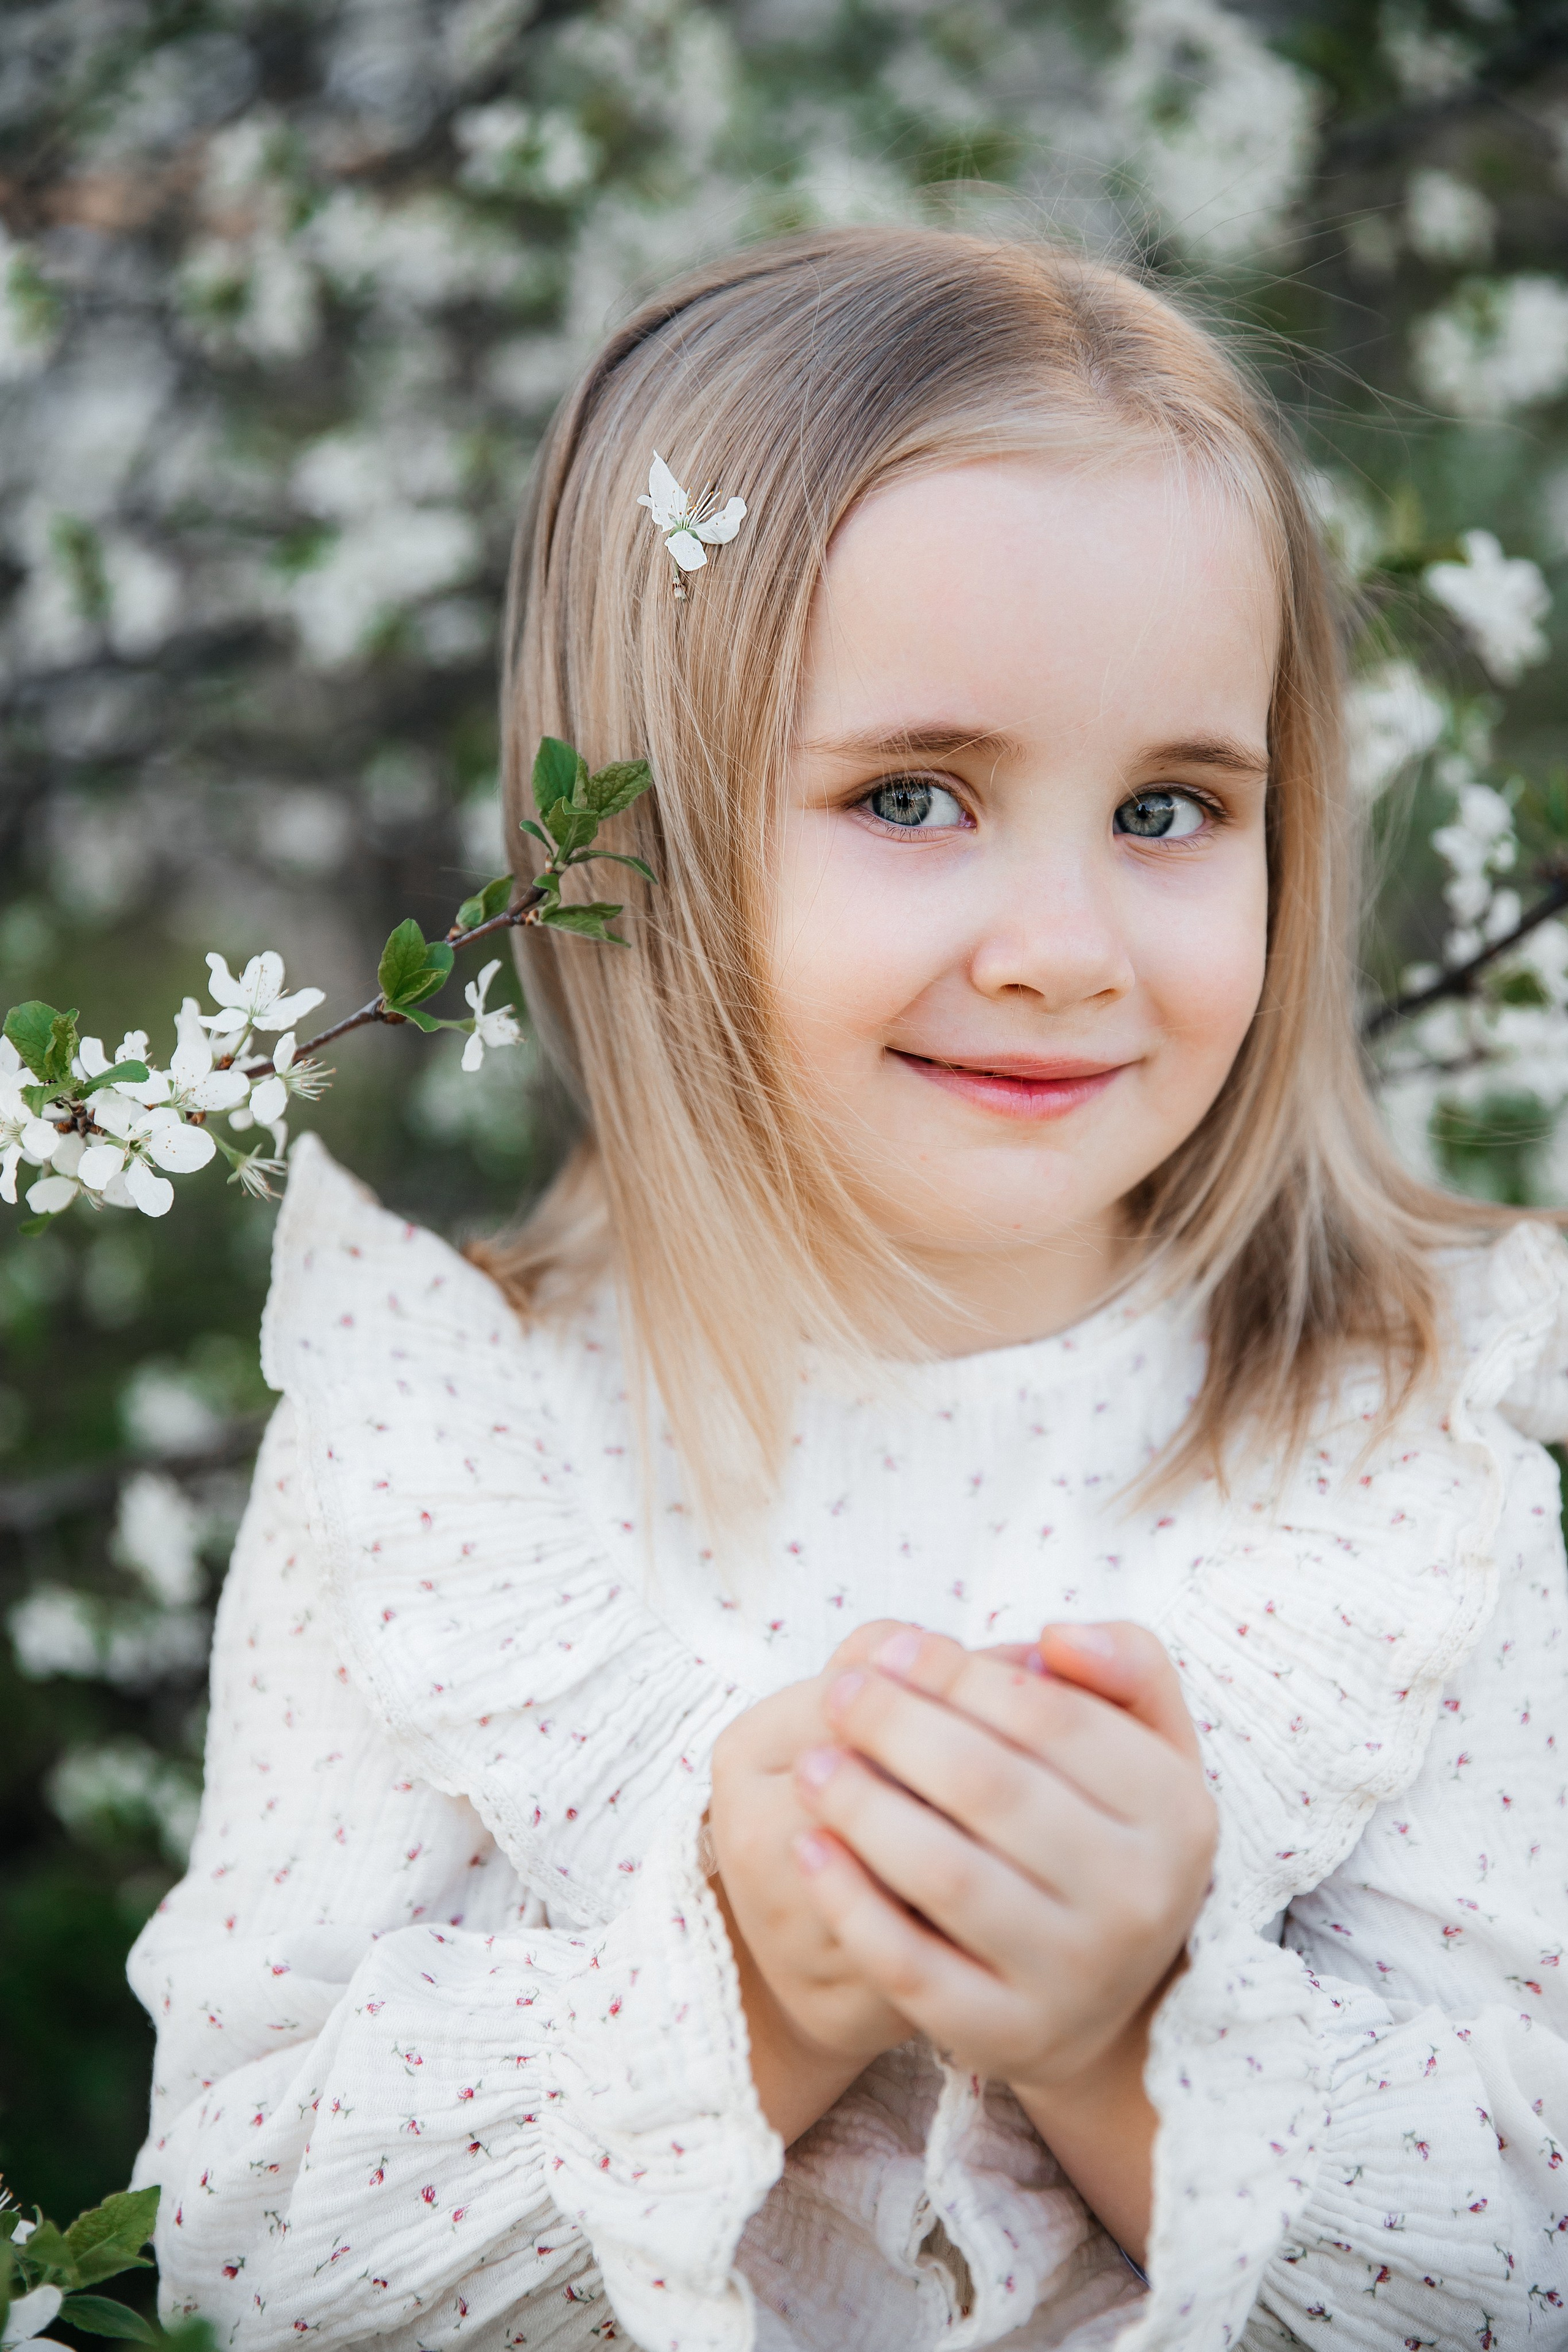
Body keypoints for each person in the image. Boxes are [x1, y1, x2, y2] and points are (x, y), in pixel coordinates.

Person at [129, 227, 1568, 2351]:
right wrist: (754, 1981)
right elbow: (248, 2242)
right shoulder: (455, 1464)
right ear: (642, 841)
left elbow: (1524, 2235)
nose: (1067, 941)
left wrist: (1122, 2041)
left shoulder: (1389, 1446)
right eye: (916, 794)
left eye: (1173, 807)